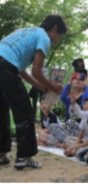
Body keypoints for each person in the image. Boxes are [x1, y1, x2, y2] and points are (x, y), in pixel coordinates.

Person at [0, 15, 67, 169]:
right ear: (55, 28)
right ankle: (24, 157)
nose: (56, 40)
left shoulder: (27, 32)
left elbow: (23, 72)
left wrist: (44, 87)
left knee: (2, 110)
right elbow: (37, 71)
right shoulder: (44, 37)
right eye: (58, 36)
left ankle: (1, 153)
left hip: (4, 63)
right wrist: (51, 85)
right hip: (5, 66)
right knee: (25, 112)